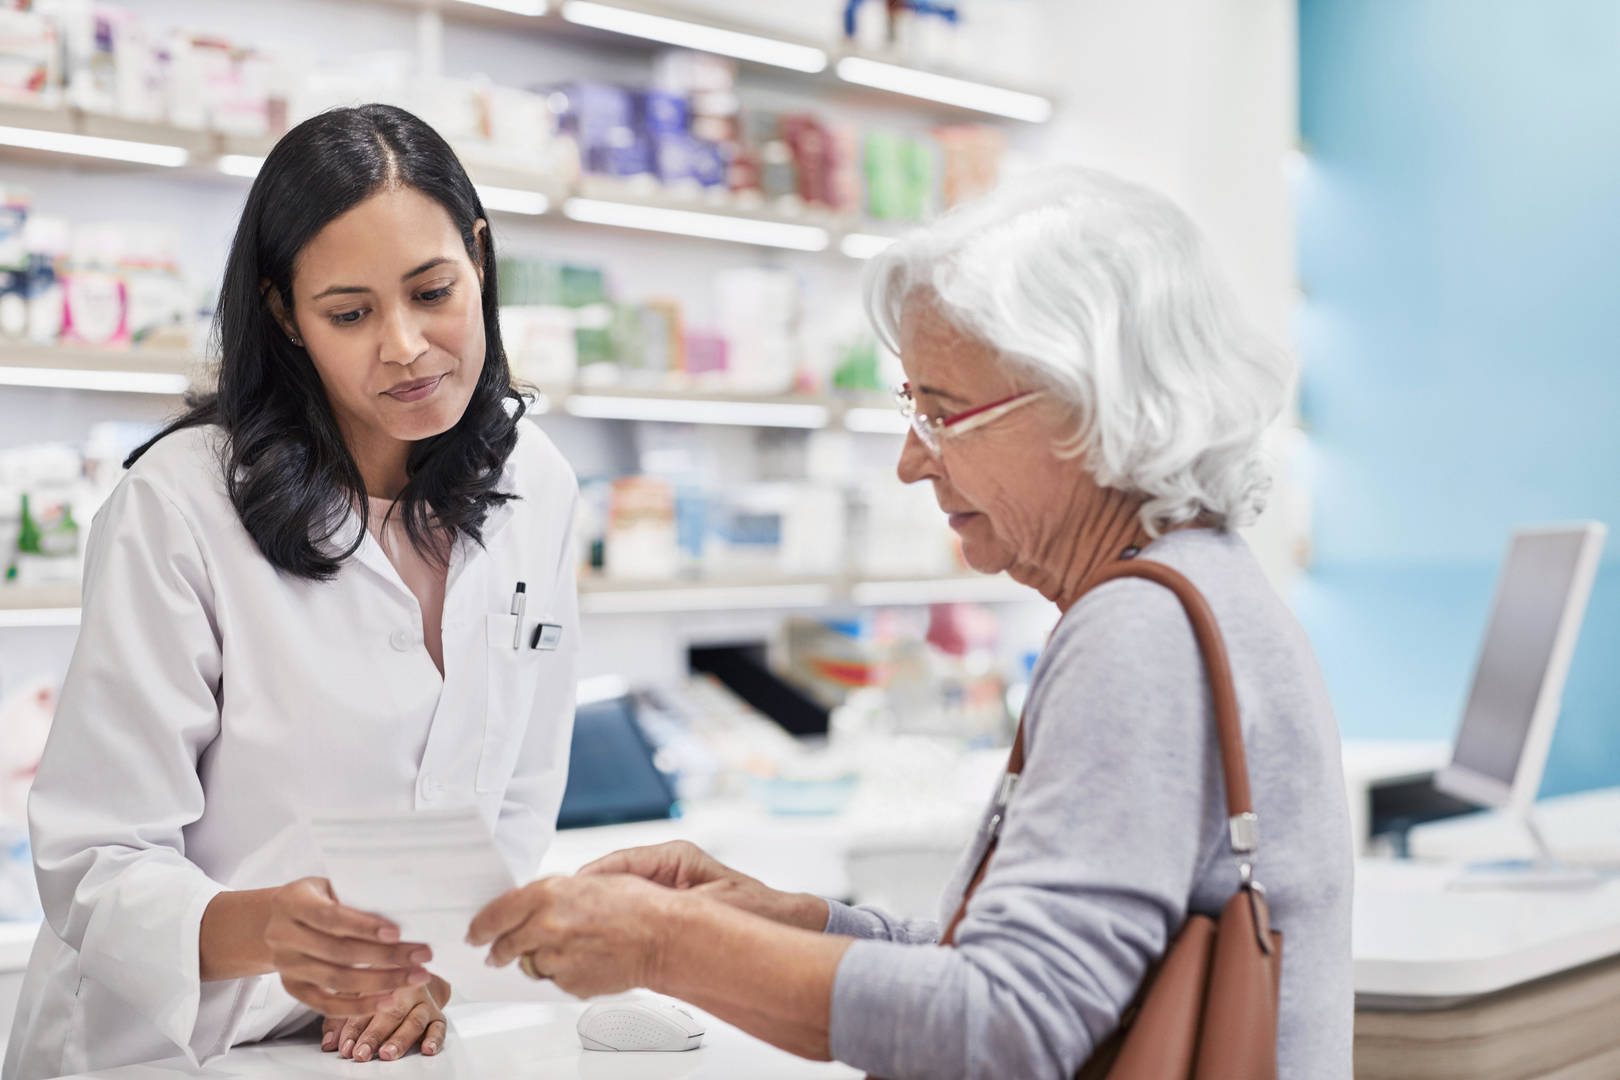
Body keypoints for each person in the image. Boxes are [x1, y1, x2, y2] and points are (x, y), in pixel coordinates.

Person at [464, 166, 1354, 1079]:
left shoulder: (1139, 631)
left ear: (1088, 406)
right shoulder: (1201, 585)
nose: (909, 463)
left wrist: (669, 943)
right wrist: (787, 922)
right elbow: (1036, 967)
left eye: (942, 411)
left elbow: (1007, 1029)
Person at [3, 105, 580, 1080]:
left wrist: (430, 970)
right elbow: (94, 855)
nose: (403, 345)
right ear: (285, 314)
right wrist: (265, 929)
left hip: (378, 1046)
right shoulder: (181, 505)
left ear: (479, 257)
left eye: (433, 291)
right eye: (350, 313)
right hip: (165, 1050)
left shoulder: (540, 484)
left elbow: (518, 795)